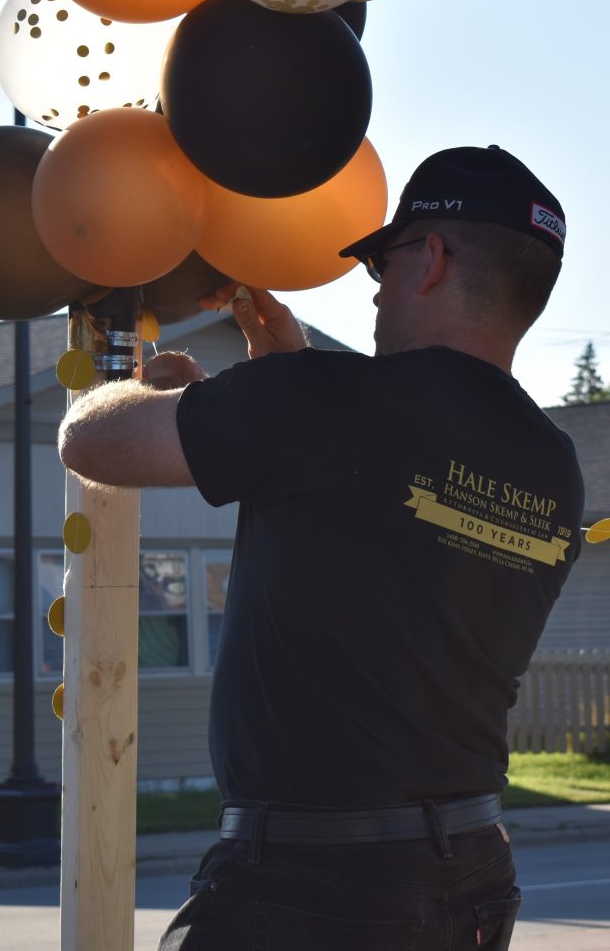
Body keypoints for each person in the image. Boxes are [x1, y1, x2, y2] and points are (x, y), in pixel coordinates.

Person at [58, 145, 584, 951]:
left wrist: (159, 387)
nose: (374, 290)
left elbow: (90, 442)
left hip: (308, 885)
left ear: (432, 258)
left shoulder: (324, 405)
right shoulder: (553, 466)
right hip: (469, 879)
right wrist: (290, 377)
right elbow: (387, 518)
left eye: (381, 262)